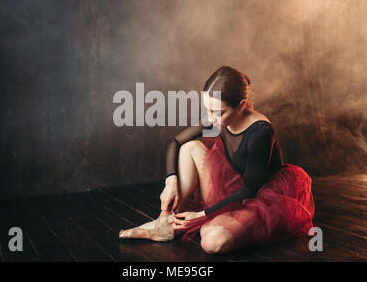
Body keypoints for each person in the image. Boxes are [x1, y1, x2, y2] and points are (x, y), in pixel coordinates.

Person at [119, 66, 315, 254]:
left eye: (219, 112)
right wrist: (170, 181)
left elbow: (250, 190)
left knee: (212, 242)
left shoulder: (261, 132)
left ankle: (208, 222)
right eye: (208, 109)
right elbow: (175, 142)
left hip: (258, 197)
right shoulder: (216, 117)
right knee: (189, 147)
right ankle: (164, 222)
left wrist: (201, 215)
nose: (211, 118)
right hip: (233, 185)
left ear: (241, 106)